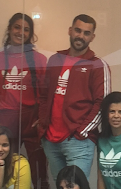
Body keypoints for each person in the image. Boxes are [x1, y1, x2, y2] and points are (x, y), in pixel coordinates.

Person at [0, 13, 49, 189]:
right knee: (2, 170)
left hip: (32, 119)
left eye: (26, 29)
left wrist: (41, 119)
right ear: (9, 29)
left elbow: (46, 96)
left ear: (31, 34)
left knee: (39, 174)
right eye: (17, 27)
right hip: (7, 120)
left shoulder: (39, 59)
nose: (21, 32)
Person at [39, 14, 110, 177]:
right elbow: (44, 96)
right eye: (77, 30)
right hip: (51, 140)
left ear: (92, 37)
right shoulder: (55, 60)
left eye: (86, 33)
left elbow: (103, 103)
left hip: (78, 141)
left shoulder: (97, 65)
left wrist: (82, 132)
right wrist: (43, 125)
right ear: (70, 31)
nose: (81, 36)